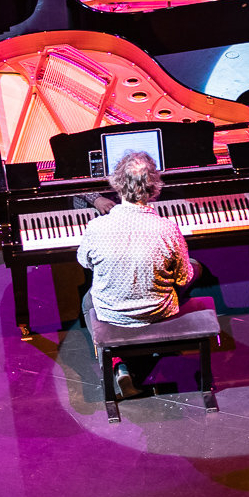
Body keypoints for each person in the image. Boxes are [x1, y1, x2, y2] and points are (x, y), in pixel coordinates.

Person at [76, 151, 197, 397]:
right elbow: (183, 278)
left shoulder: (97, 227)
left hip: (112, 313)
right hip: (158, 311)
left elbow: (84, 261)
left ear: (117, 185)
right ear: (154, 188)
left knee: (87, 300)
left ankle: (114, 362)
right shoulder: (168, 228)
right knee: (194, 267)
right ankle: (164, 340)